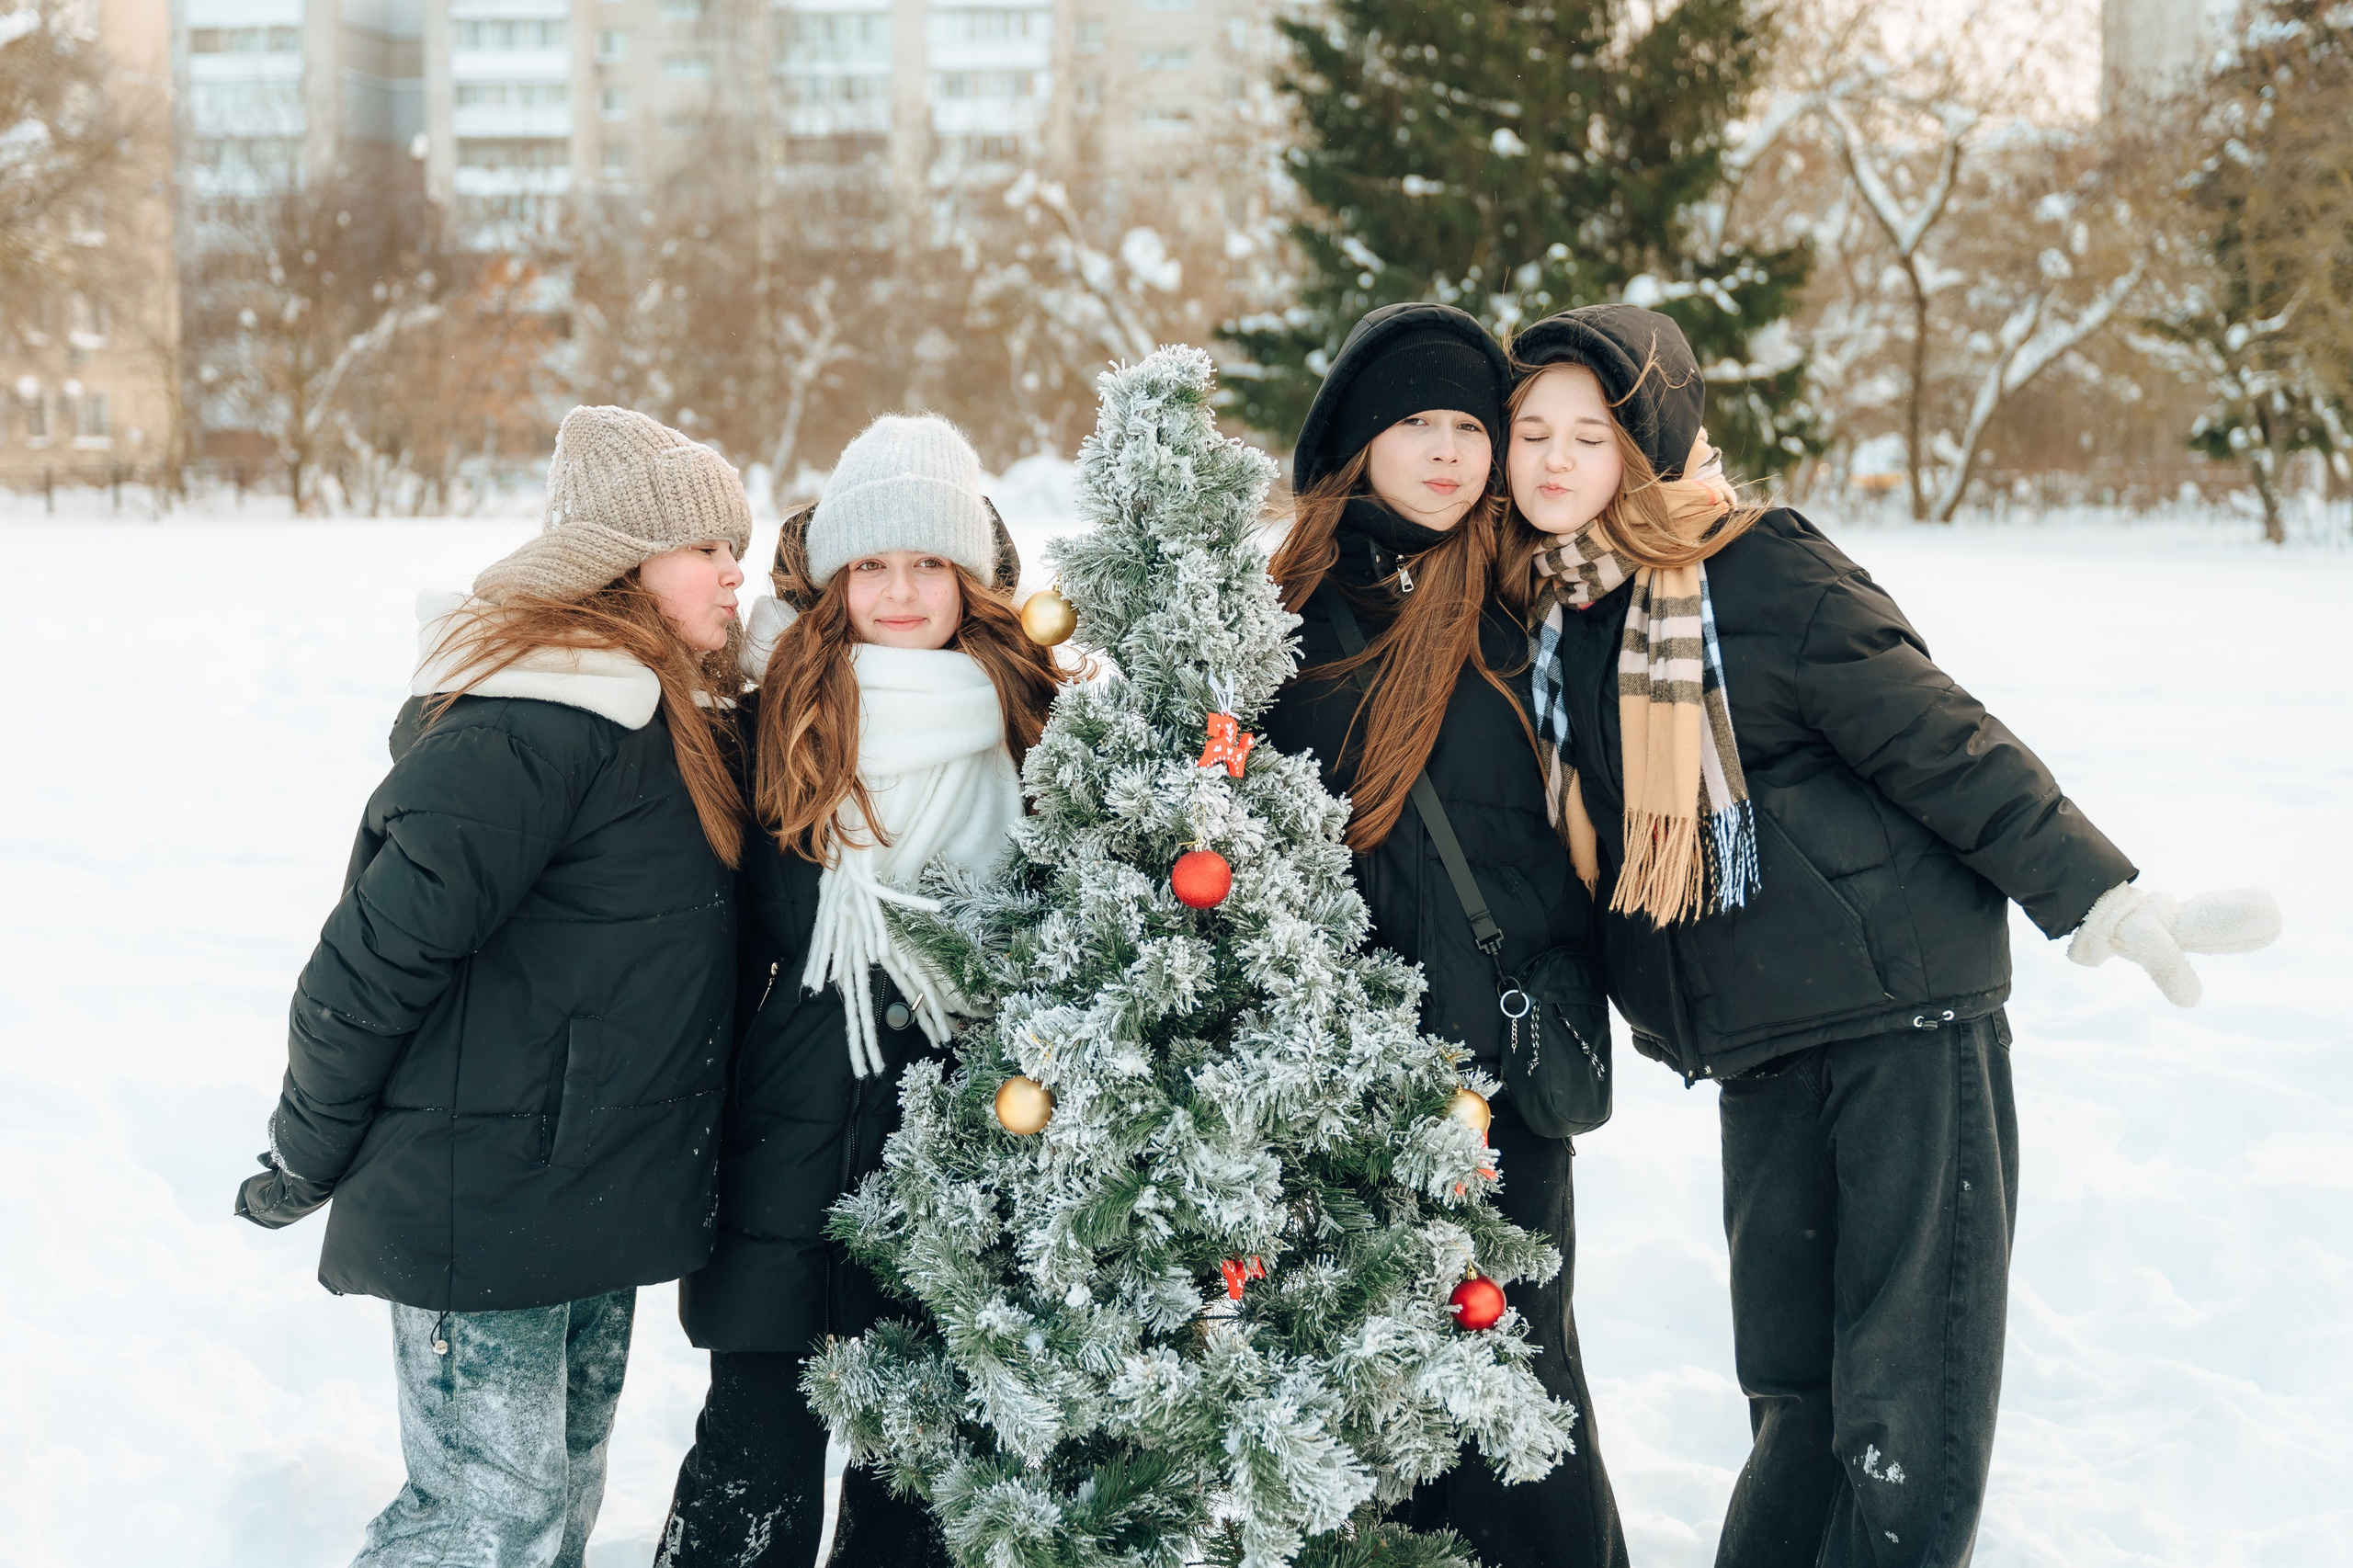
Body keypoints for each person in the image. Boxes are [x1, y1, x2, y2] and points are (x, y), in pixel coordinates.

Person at [1506, 303, 2281, 1567]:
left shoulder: (1763, 567)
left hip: (1902, 1019)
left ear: (1646, 445)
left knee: (1903, 1393)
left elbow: (1942, 739)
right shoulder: (1555, 613)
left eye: (1585, 435)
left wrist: (2102, 895)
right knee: (1793, 1390)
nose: (1549, 459)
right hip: (1757, 1045)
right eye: (1529, 431)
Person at [234, 404, 754, 1568]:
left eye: (740, 548)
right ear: (623, 567)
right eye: (708, 551)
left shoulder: (668, 717)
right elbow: (365, 965)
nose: (736, 575)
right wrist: (308, 1150)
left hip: (584, 1188)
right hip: (489, 1193)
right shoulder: (529, 723)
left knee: (555, 1507)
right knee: (481, 1521)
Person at [658, 415, 1066, 1567]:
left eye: (927, 563)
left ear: (968, 577)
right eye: (872, 564)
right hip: (782, 1143)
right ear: (833, 576)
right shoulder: (772, 707)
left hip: (956, 1157)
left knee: (917, 1492)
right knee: (749, 1472)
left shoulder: (1035, 720)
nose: (898, 590)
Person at [1261, 301, 1631, 1568]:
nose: (1447, 451)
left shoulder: (1539, 600)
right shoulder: (1279, 622)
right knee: (1367, 1403)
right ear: (1359, 441)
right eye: (1416, 422)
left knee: (1520, 1382)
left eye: (1470, 426)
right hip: (1340, 1087)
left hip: (1499, 1086)